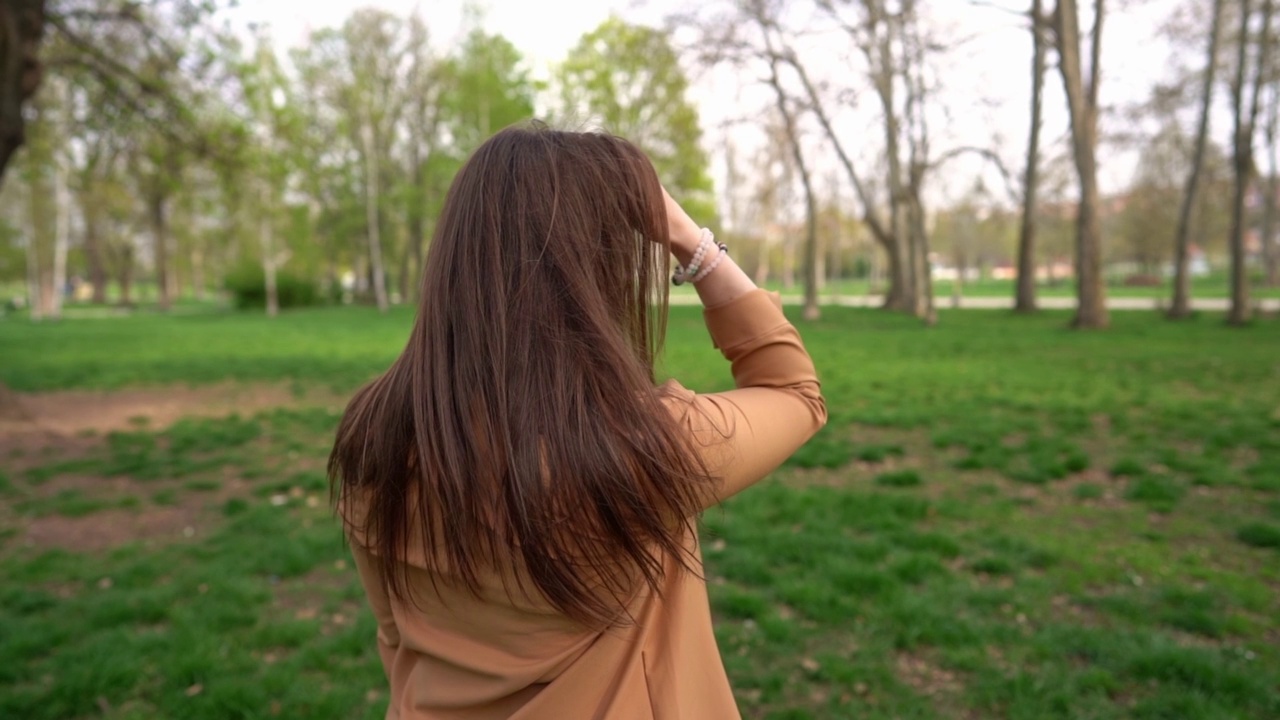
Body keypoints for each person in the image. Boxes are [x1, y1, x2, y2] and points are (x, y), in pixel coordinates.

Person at [329, 123, 826, 719]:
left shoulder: (372, 433)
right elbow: (794, 390)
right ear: (598, 270)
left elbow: (395, 632)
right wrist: (687, 239)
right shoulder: (643, 447)